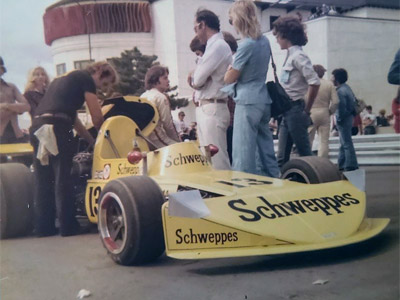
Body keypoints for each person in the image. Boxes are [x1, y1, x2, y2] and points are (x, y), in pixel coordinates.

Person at [30, 61, 118, 237]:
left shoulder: (61, 81)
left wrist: (91, 140)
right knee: (64, 177)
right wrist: (106, 137)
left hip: (38, 126)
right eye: (104, 83)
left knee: (43, 179)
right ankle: (68, 226)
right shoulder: (85, 78)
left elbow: (74, 118)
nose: (102, 88)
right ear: (100, 72)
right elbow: (97, 117)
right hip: (58, 126)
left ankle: (43, 227)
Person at [224, 0, 279, 177]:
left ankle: (243, 186)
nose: (231, 23)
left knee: (243, 151)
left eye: (231, 19)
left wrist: (228, 72)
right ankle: (274, 180)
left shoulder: (245, 45)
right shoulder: (265, 41)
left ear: (239, 19)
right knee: (265, 148)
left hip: (247, 101)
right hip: (263, 99)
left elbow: (230, 77)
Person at [272, 15, 320, 167]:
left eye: (278, 36)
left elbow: (314, 82)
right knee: (281, 156)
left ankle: (316, 183)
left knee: (304, 151)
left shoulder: (298, 56)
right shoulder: (291, 55)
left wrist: (306, 110)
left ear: (285, 35)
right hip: (287, 110)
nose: (277, 39)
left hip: (295, 109)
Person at [189, 8, 232, 170]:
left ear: (202, 25)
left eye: (195, 28)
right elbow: (198, 79)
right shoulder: (214, 47)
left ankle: (227, 193)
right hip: (208, 106)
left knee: (218, 160)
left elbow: (197, 80)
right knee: (209, 161)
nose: (196, 33)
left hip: (213, 107)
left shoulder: (218, 46)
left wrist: (196, 76)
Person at [141, 65, 180, 148]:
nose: (168, 81)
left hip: (144, 140)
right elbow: (168, 125)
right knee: (181, 149)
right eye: (165, 78)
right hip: (157, 139)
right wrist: (178, 141)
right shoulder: (160, 97)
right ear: (155, 80)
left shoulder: (143, 95)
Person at [308, 64, 338, 158]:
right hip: (324, 112)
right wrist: (330, 112)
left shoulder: (308, 83)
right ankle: (323, 161)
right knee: (324, 141)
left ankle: (308, 160)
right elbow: (336, 102)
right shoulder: (329, 84)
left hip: (310, 112)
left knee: (308, 140)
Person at [331, 68, 358, 171]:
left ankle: (351, 164)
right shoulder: (347, 88)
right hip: (349, 117)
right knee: (343, 142)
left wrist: (339, 118)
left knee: (346, 142)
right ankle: (341, 163)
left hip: (344, 118)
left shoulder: (339, 91)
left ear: (336, 78)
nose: (331, 78)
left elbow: (341, 107)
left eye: (332, 76)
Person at [0, 57, 30, 144]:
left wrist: (6, 106)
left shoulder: (11, 87)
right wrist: (15, 108)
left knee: (23, 157)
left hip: (16, 133)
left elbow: (26, 106)